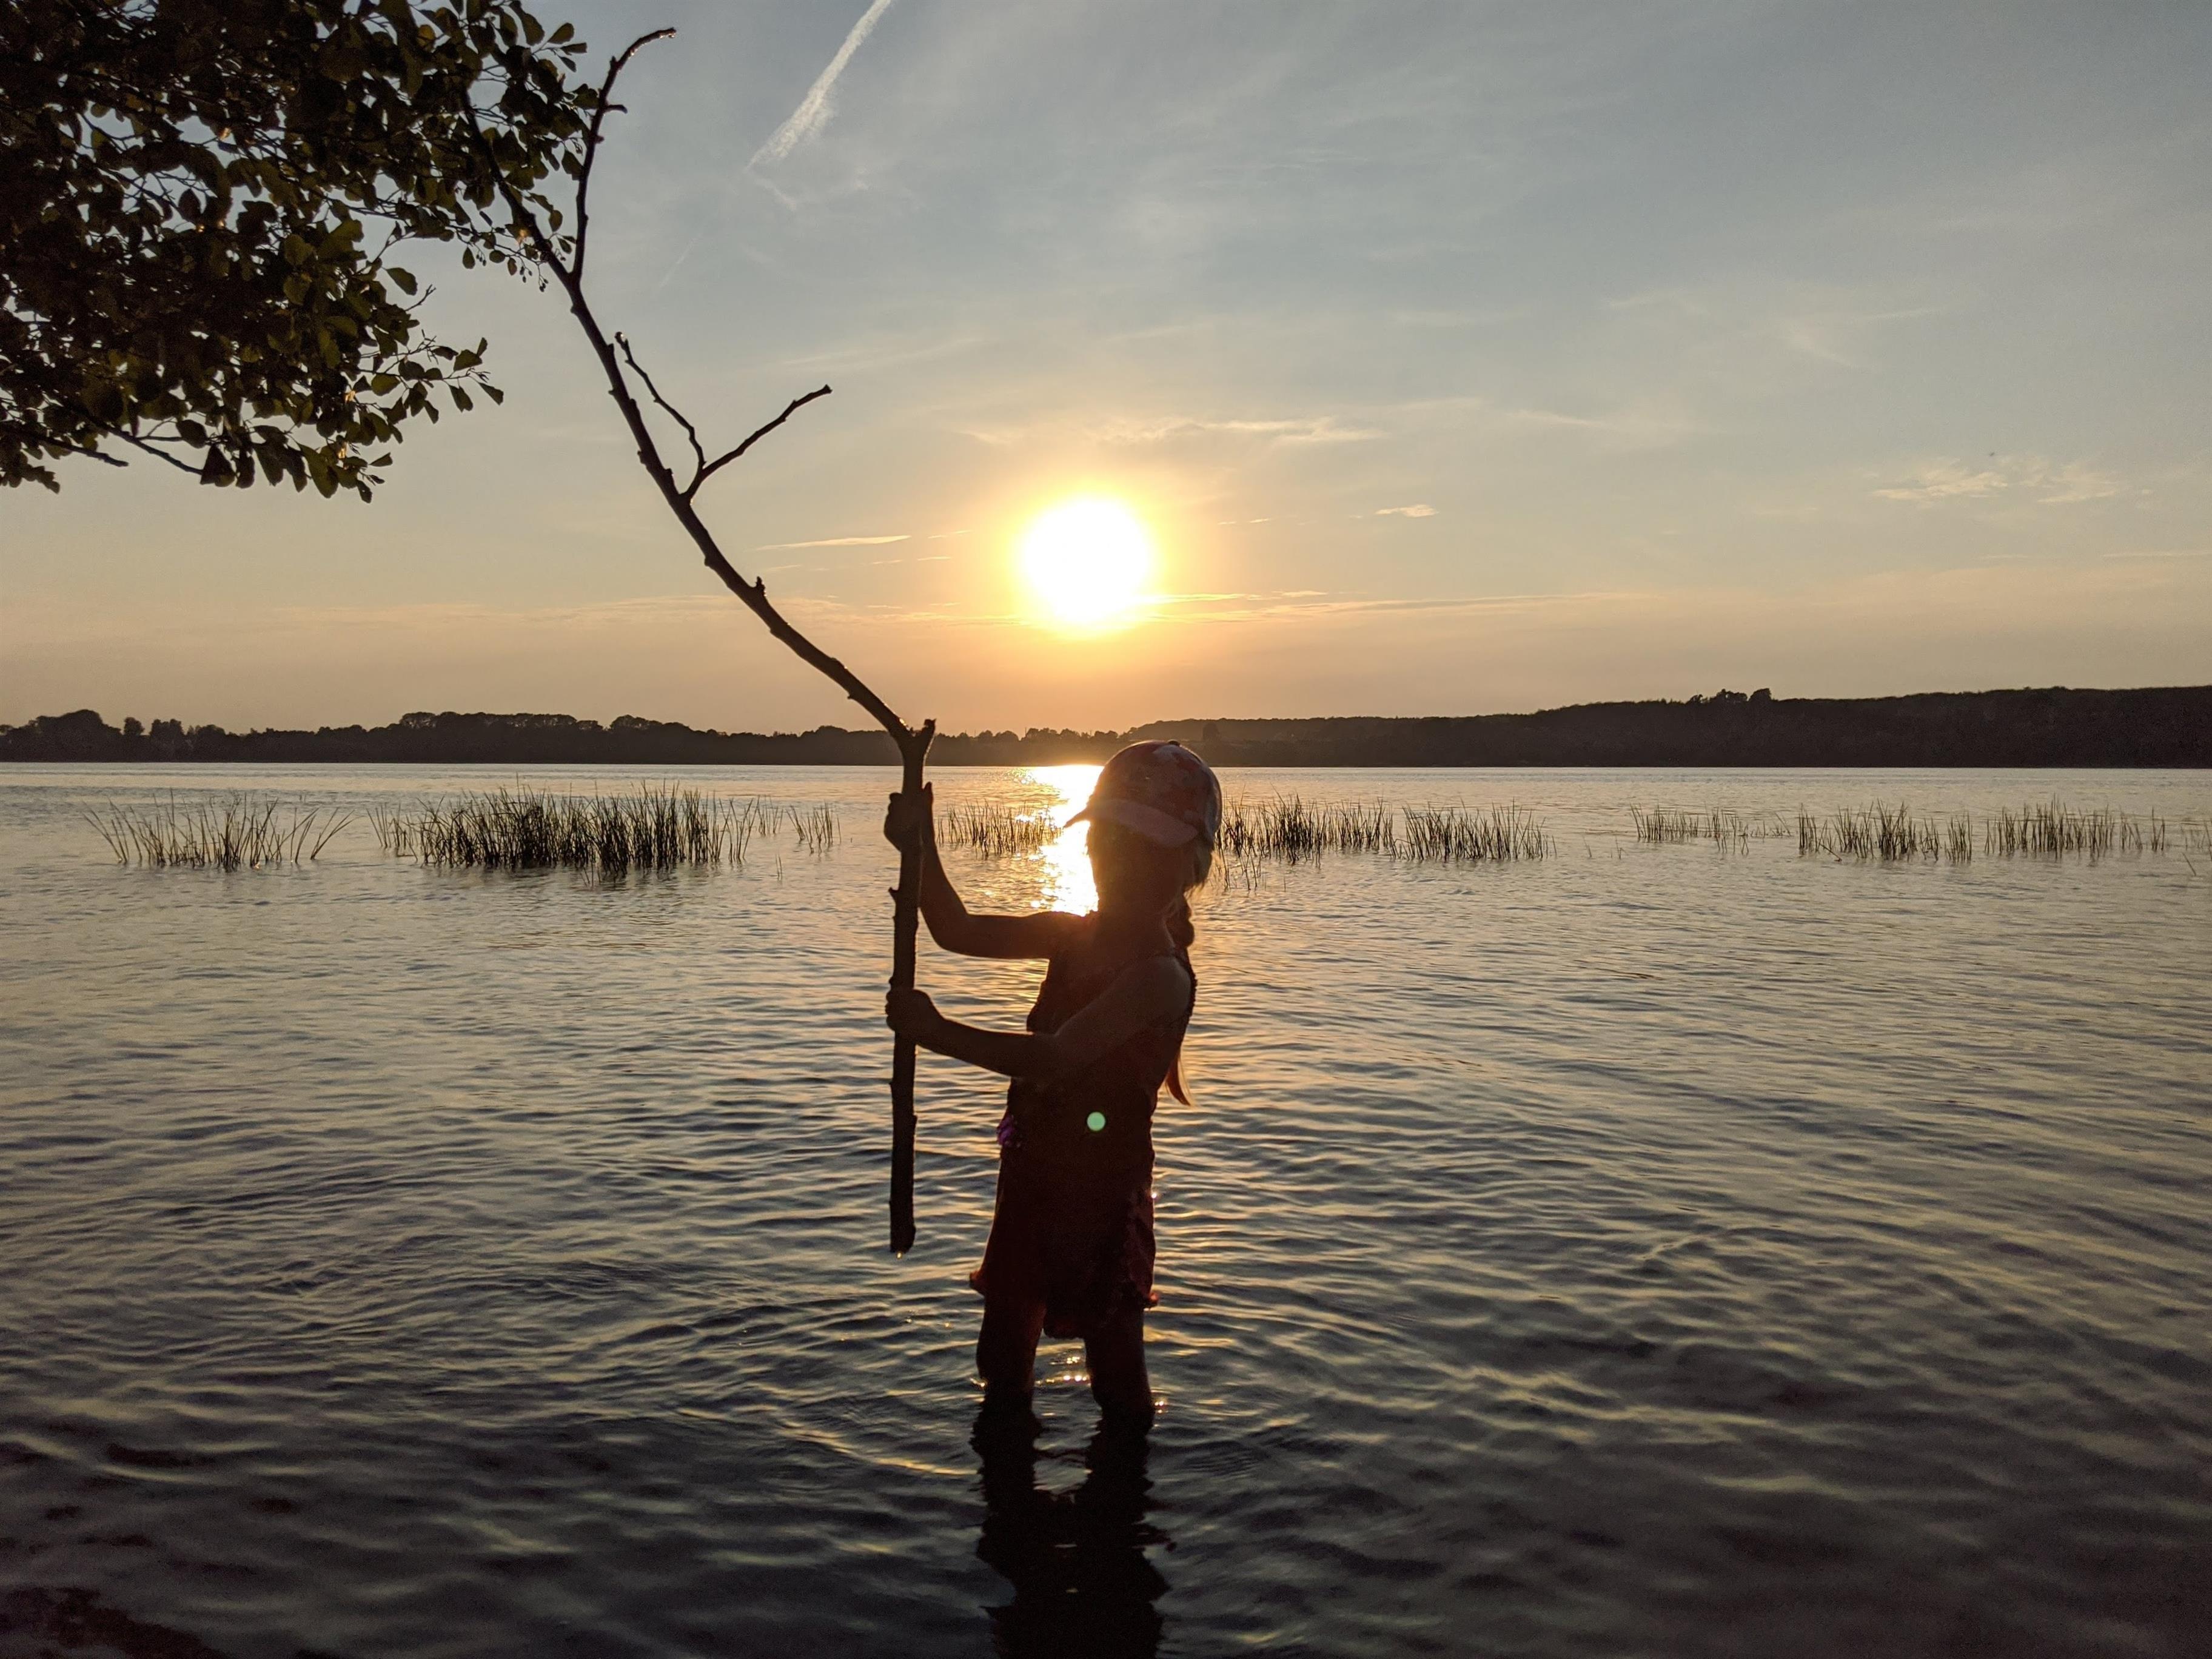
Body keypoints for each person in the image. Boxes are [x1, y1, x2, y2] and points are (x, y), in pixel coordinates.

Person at [883, 741, 1221, 1425]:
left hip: (1104, 1195)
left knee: (1114, 1364)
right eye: (1108, 844)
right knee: (1002, 1354)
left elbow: (1057, 1057)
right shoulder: (1071, 934)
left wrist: (935, 1032)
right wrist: (918, 846)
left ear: (1189, 868)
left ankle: (1125, 1472)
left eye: (1145, 851)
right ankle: (1005, 1470)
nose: (1120, 864)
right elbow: (956, 929)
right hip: (1031, 1174)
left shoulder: (1160, 977)